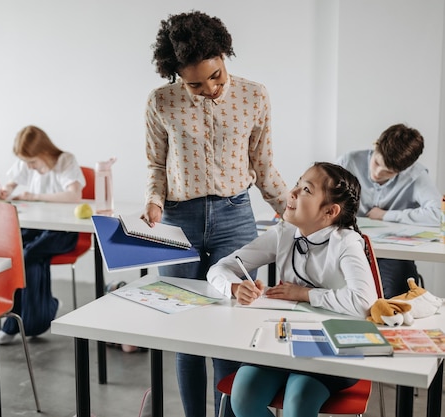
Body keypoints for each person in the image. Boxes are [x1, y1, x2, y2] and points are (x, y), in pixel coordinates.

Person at [141, 10, 289, 417]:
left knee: (230, 326)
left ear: (225, 56)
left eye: (216, 76)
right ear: (176, 75)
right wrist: (154, 200)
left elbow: (263, 166)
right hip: (177, 222)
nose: (209, 88)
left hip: (235, 217)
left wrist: (293, 213)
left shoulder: (255, 96)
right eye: (195, 83)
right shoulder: (161, 102)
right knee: (186, 332)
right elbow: (156, 165)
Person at [207, 162, 378, 417]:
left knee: (298, 403)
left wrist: (304, 294)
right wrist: (233, 287)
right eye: (297, 184)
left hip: (332, 348)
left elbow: (364, 302)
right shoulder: (284, 233)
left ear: (330, 211)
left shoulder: (346, 243)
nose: (293, 192)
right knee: (243, 398)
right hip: (282, 342)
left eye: (306, 190)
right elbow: (219, 268)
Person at [0, 125, 84, 345]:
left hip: (64, 231)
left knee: (29, 254)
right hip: (36, 227)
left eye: (32, 162)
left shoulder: (65, 161)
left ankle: (17, 323)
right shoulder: (28, 163)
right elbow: (11, 182)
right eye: (26, 162)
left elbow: (75, 194)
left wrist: (35, 196)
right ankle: (40, 312)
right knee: (14, 252)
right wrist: (5, 190)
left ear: (44, 152)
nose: (29, 167)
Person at [336, 123, 441, 298]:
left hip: (392, 255)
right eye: (376, 163)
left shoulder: (416, 175)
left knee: (396, 293)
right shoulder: (348, 161)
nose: (377, 173)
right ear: (375, 145)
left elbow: (439, 214)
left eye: (388, 172)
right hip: (347, 246)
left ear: (403, 170)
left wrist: (385, 215)